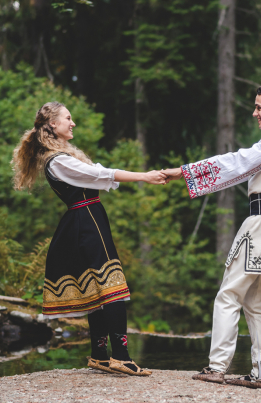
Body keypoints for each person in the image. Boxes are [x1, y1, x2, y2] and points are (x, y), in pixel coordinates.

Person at [12, 101, 168, 376]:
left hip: (85, 219)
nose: (72, 123)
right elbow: (99, 174)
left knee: (99, 289)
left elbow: (97, 173)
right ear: (52, 125)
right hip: (86, 221)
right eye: (68, 119)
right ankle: (120, 356)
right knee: (112, 286)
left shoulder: (60, 157)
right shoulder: (57, 160)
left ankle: (99, 355)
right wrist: (143, 176)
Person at [164, 83, 261, 389]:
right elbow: (241, 167)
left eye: (258, 107)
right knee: (257, 302)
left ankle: (216, 367)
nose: (254, 113)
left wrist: (184, 171)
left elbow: (237, 162)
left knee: (229, 294)